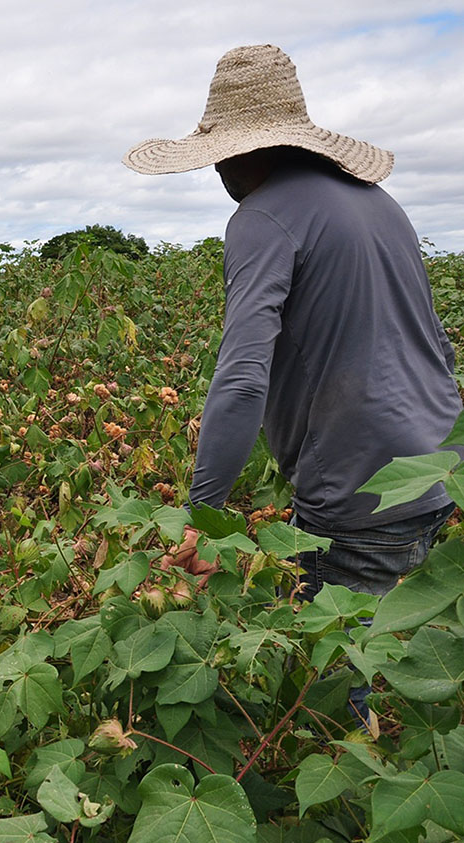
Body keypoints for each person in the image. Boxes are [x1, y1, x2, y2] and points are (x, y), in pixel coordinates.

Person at [123, 44, 460, 601]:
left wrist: (202, 517)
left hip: (360, 495)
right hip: (440, 473)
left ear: (246, 151)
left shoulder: (259, 219)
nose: (217, 168)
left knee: (325, 672)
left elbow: (243, 378)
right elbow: (438, 347)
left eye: (220, 154)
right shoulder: (381, 203)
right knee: (381, 647)